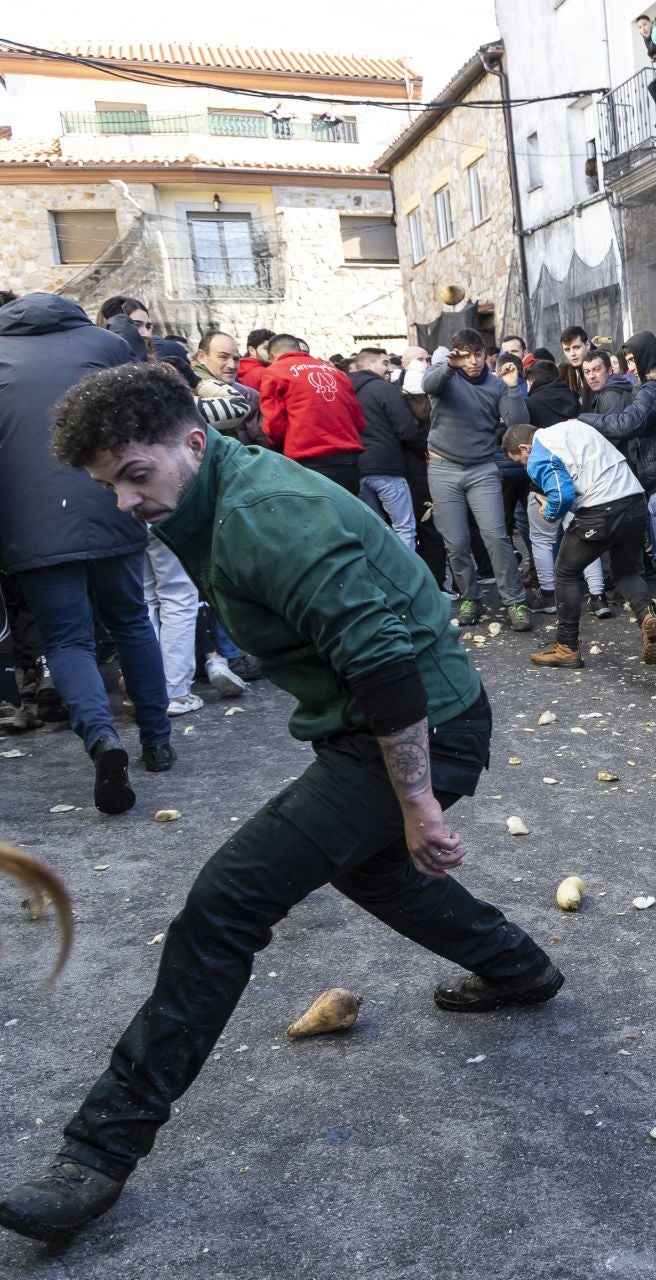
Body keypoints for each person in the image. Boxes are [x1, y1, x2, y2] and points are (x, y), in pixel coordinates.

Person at [0, 363, 564, 1243]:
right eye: (110, 485)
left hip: (417, 721)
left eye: (135, 476)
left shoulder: (263, 510)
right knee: (368, 870)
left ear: (193, 442)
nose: (123, 502)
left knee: (227, 904)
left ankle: (96, 1155)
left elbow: (382, 660)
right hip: (374, 724)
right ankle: (520, 968)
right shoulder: (202, 497)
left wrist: (418, 801)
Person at [0, 292, 171, 812]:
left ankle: (102, 740)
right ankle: (158, 740)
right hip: (108, 499)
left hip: (29, 520)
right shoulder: (106, 343)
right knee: (131, 618)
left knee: (67, 640)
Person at [504, 423, 656, 669]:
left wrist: (548, 511)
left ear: (525, 447)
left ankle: (567, 647)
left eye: (520, 461)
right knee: (626, 571)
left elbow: (561, 494)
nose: (524, 466)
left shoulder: (539, 450)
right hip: (633, 500)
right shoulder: (574, 427)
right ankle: (646, 615)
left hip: (600, 508)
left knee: (566, 572)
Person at [414, 330, 531, 631]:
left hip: (482, 468)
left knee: (496, 535)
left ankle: (515, 601)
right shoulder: (445, 378)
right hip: (443, 468)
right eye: (466, 355)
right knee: (456, 541)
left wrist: (513, 387)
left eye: (478, 353)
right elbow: (428, 384)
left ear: (484, 353)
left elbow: (517, 423)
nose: (474, 361)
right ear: (456, 355)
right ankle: (470, 596)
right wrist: (448, 366)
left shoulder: (496, 384)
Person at [581, 332, 656, 609]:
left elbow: (627, 424)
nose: (630, 366)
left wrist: (584, 419)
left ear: (646, 357)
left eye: (633, 359)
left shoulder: (654, 388)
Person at [257, 333, 365, 490]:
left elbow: (274, 423)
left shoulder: (275, 371)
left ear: (273, 355)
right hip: (348, 459)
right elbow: (357, 417)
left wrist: (278, 444)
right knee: (348, 511)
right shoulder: (334, 371)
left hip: (309, 459)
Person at [349, 347, 426, 549]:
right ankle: (407, 578)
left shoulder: (342, 390)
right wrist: (424, 451)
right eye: (384, 363)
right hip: (387, 466)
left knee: (375, 530)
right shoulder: (383, 388)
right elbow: (407, 429)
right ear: (367, 365)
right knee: (404, 528)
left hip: (357, 466)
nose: (389, 368)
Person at [189, 330, 264, 446]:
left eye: (236, 359)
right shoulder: (187, 391)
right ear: (202, 356)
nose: (232, 366)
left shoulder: (245, 393)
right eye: (223, 357)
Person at [582, 347, 634, 413]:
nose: (591, 376)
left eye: (597, 369)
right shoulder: (605, 390)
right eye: (587, 372)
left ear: (609, 370)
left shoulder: (612, 396)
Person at [559, 325, 593, 409]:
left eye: (576, 347)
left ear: (587, 345)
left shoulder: (598, 370)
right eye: (567, 349)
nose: (572, 354)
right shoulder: (574, 372)